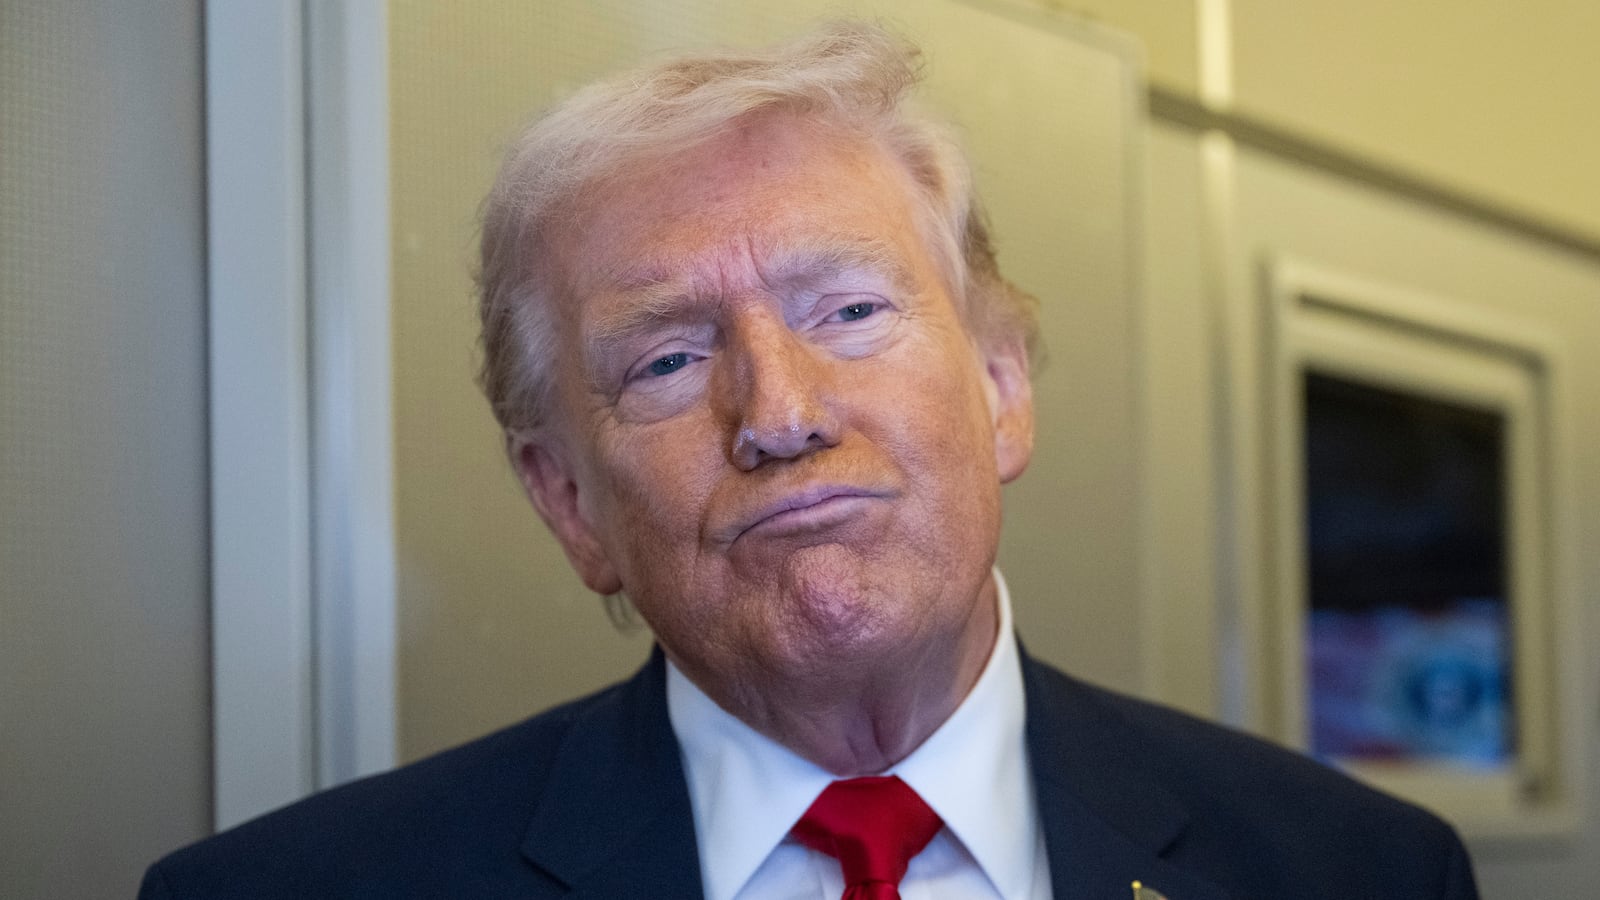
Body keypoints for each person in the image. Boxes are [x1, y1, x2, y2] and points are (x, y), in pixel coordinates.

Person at [141, 21, 1478, 900]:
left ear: (1003, 390)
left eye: (847, 310)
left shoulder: (1356, 872)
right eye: (669, 360)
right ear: (568, 501)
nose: (778, 413)